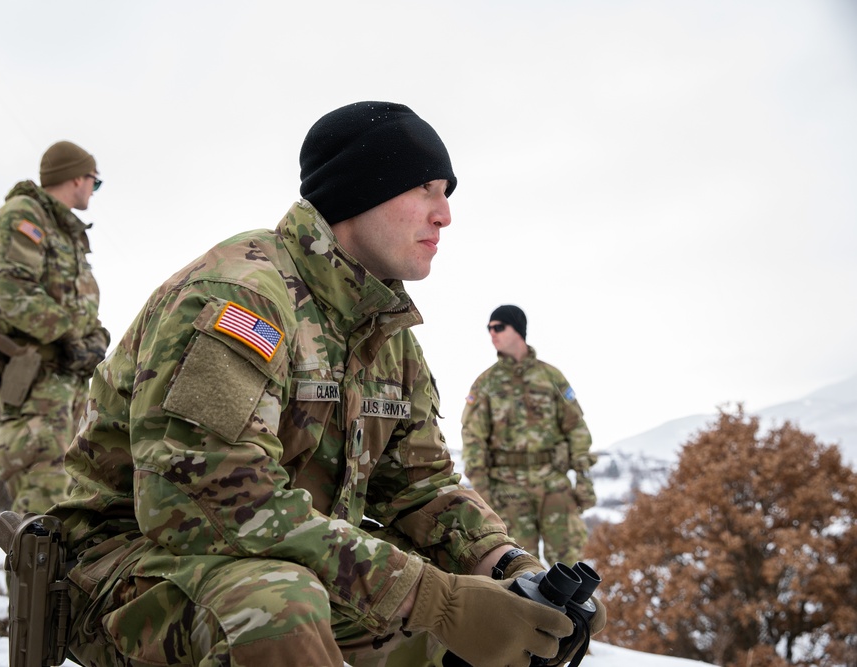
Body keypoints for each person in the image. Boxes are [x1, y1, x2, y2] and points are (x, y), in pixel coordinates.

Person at [48, 102, 604, 667]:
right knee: (281, 609)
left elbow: (421, 486)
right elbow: (204, 502)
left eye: (448, 194)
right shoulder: (244, 296)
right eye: (427, 189)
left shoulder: (383, 332)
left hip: (284, 562)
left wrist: (512, 570)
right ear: (360, 191)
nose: (445, 215)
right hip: (130, 568)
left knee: (491, 616)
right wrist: (439, 601)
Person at [0, 140, 109, 515]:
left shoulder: (64, 232)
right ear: (78, 178)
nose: (92, 191)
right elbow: (11, 292)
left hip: (66, 383)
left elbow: (78, 303)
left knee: (67, 507)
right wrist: (68, 335)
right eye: (94, 183)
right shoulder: (24, 216)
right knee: (40, 506)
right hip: (34, 379)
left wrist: (96, 340)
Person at [461, 305, 597, 567]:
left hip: (554, 487)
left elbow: (576, 428)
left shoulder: (550, 377)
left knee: (571, 566)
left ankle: (570, 611)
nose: (492, 333)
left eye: (499, 327)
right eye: (489, 329)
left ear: (518, 329)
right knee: (520, 569)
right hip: (508, 493)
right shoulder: (486, 383)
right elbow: (472, 439)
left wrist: (584, 479)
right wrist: (484, 494)